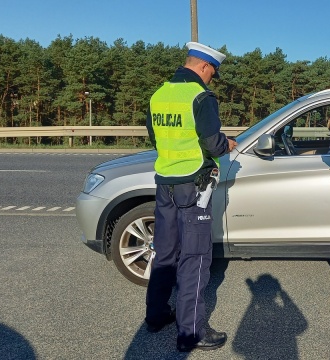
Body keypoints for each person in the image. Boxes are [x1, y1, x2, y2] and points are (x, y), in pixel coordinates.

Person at [144, 42, 237, 352]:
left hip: (165, 183)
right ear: (204, 67)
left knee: (165, 251)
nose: (212, 79)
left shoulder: (159, 94)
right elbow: (212, 143)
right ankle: (191, 332)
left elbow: (155, 137)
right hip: (193, 185)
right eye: (213, 73)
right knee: (195, 257)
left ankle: (156, 315)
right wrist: (227, 145)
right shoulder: (201, 96)